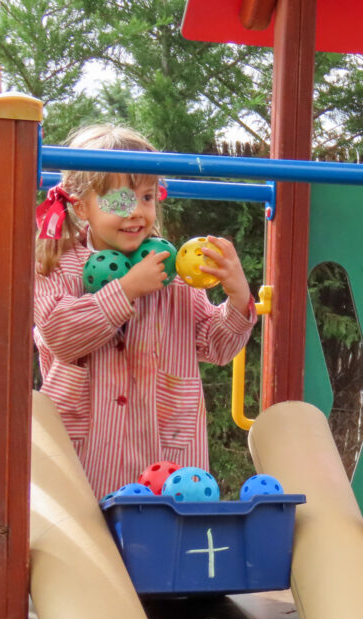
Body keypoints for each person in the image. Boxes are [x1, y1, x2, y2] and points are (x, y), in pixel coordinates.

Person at [33, 125, 256, 499]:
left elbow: (214, 346)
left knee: (163, 551)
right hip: (84, 461)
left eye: (147, 197)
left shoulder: (170, 268)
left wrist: (236, 299)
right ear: (81, 205)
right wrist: (126, 290)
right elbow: (60, 334)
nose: (136, 211)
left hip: (165, 467)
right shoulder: (59, 265)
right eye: (119, 201)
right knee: (91, 553)